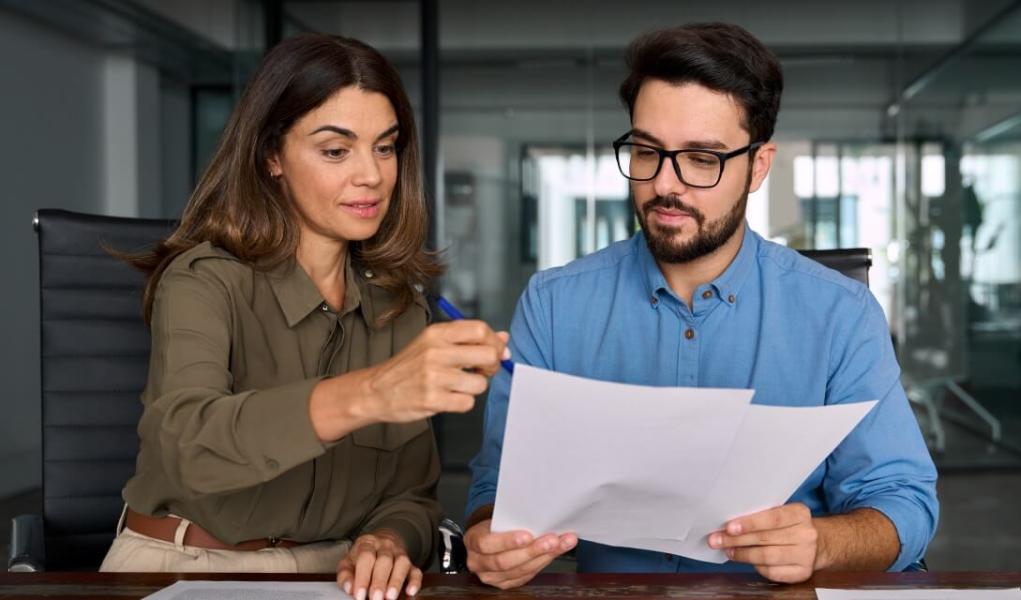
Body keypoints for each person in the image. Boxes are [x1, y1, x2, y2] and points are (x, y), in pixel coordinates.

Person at [463, 23, 938, 589]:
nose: (666, 185)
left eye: (701, 159)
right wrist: (489, 537)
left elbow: (904, 504)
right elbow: (496, 489)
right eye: (646, 151)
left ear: (758, 166)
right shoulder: (554, 305)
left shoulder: (840, 313)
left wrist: (823, 544)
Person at [99, 33, 510, 600]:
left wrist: (387, 540)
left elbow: (411, 494)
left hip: (336, 575)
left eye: (385, 147)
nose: (371, 175)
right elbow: (190, 445)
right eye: (336, 150)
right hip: (187, 565)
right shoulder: (203, 279)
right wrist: (371, 392)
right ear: (272, 155)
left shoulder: (400, 308)